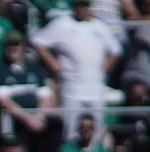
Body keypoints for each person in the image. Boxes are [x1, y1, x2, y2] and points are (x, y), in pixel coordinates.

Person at [31, 0, 122, 139]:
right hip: (72, 87)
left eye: (85, 6)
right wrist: (53, 62)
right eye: (79, 6)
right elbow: (38, 41)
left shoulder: (100, 27)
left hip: (96, 87)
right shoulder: (62, 24)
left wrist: (106, 67)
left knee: (98, 129)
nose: (82, 9)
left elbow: (116, 50)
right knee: (71, 130)